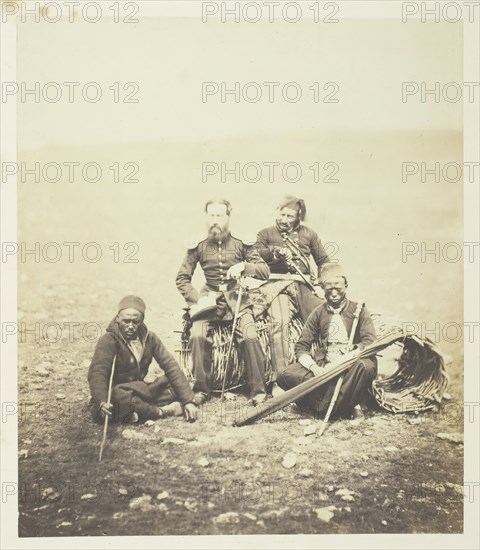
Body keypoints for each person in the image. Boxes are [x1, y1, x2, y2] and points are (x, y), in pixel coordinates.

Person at [176, 199, 270, 405]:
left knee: (250, 335)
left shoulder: (241, 243)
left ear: (228, 217)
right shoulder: (198, 245)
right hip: (209, 301)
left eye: (220, 215)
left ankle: (258, 390)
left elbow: (264, 271)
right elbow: (182, 279)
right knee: (197, 336)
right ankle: (201, 389)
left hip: (237, 299)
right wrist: (200, 299)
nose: (215, 220)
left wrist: (244, 266)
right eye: (211, 215)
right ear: (206, 216)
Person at [276, 264, 377, 420]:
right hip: (325, 366)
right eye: (329, 289)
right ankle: (339, 407)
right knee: (285, 375)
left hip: (351, 365)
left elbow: (370, 341)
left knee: (366, 367)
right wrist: (314, 367)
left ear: (346, 286)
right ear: (323, 289)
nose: (334, 293)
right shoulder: (318, 313)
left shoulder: (359, 310)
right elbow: (302, 346)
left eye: (339, 288)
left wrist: (352, 353)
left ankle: (339, 407)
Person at [255, 195, 331, 387]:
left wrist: (323, 285)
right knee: (279, 322)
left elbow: (323, 262)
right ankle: (278, 380)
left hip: (303, 285)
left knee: (324, 317)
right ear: (277, 212)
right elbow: (255, 256)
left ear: (299, 217)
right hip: (276, 286)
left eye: (290, 216)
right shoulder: (265, 234)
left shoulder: (309, 235)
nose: (285, 220)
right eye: (282, 214)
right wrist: (275, 255)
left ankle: (326, 369)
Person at [88, 295, 197, 423]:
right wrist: (101, 401)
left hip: (139, 390)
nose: (130, 326)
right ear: (118, 318)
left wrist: (188, 401)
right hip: (116, 394)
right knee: (119, 397)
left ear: (142, 320)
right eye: (126, 321)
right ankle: (161, 411)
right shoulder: (109, 340)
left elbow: (170, 365)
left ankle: (138, 412)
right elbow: (97, 372)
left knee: (172, 381)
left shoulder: (149, 338)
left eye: (135, 322)